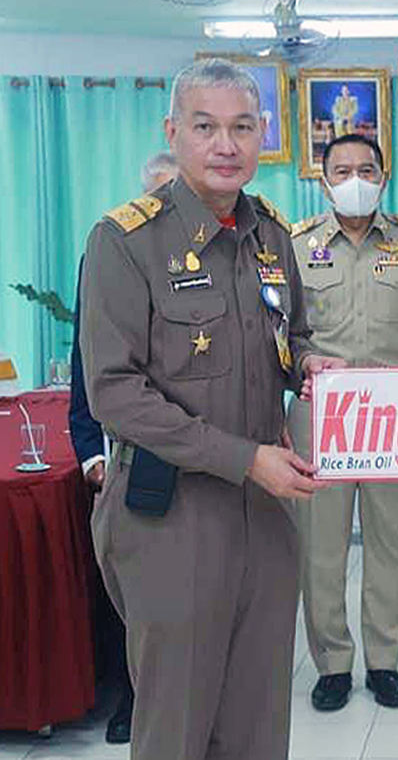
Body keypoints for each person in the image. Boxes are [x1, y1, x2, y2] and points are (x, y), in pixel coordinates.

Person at [79, 58, 345, 760]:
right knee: (177, 727)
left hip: (266, 512)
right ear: (173, 133)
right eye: (205, 127)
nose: (225, 145)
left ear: (263, 136)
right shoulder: (125, 242)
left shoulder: (271, 235)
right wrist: (243, 458)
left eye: (242, 127)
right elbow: (114, 392)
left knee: (258, 723)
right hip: (171, 514)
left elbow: (292, 333)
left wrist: (309, 363)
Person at [286, 133, 398, 712]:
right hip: (322, 417)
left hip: (394, 419)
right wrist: (301, 367)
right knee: (320, 548)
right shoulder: (296, 246)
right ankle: (332, 663)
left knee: (389, 544)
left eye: (366, 170)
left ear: (384, 177)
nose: (355, 180)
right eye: (342, 170)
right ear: (323, 180)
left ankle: (384, 661)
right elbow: (281, 336)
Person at [69, 151, 177, 745]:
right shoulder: (111, 251)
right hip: (133, 458)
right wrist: (91, 453)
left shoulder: (217, 259)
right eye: (156, 195)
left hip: (200, 456)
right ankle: (129, 697)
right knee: (133, 597)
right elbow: (85, 365)